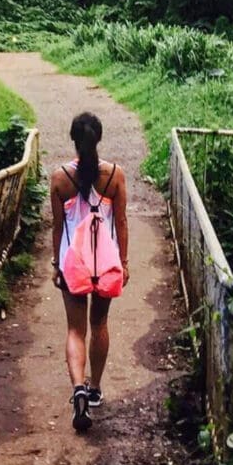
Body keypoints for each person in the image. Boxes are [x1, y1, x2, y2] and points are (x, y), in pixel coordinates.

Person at [50, 111, 130, 432]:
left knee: (75, 330)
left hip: (74, 264)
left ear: (73, 140)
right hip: (104, 263)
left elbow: (58, 227)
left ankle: (78, 389)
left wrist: (56, 265)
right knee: (99, 324)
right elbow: (121, 222)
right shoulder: (115, 176)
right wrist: (123, 263)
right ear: (98, 139)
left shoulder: (59, 178)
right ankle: (94, 387)